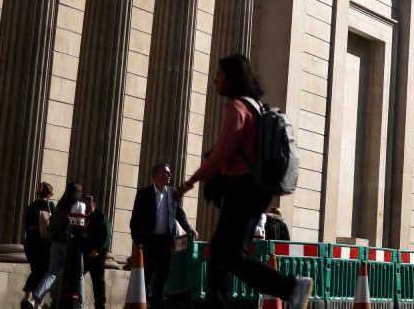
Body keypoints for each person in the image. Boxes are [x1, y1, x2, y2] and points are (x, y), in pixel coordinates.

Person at [177, 55, 312, 309]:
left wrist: (191, 181)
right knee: (219, 255)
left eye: (219, 74)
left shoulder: (237, 108)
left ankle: (291, 286)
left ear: (231, 78)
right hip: (253, 189)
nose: (215, 79)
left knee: (231, 255)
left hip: (242, 189)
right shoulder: (254, 106)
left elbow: (223, 151)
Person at [130, 164, 192, 309]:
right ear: (157, 175)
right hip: (148, 240)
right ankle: (147, 304)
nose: (170, 175)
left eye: (169, 173)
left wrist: (188, 228)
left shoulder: (173, 193)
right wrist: (137, 240)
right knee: (146, 276)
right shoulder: (144, 194)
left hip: (165, 241)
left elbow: (179, 214)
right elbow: (135, 220)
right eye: (166, 173)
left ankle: (157, 305)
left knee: (163, 276)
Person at [27, 182, 84, 309]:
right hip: (70, 246)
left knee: (50, 274)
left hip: (56, 244)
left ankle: (35, 300)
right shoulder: (77, 206)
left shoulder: (59, 205)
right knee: (78, 275)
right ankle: (81, 305)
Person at [22, 182, 57, 303]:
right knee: (43, 271)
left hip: (30, 243)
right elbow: (55, 223)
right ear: (49, 194)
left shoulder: (31, 206)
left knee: (36, 270)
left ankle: (28, 297)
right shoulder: (49, 205)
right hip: (43, 243)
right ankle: (32, 300)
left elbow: (26, 226)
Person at [80, 196, 111, 309]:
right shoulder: (84, 218)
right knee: (77, 277)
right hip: (85, 254)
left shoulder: (101, 217)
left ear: (94, 205)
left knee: (98, 282)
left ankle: (100, 305)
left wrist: (97, 249)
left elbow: (107, 235)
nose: (87, 209)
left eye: (89, 206)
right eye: (85, 206)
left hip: (96, 256)